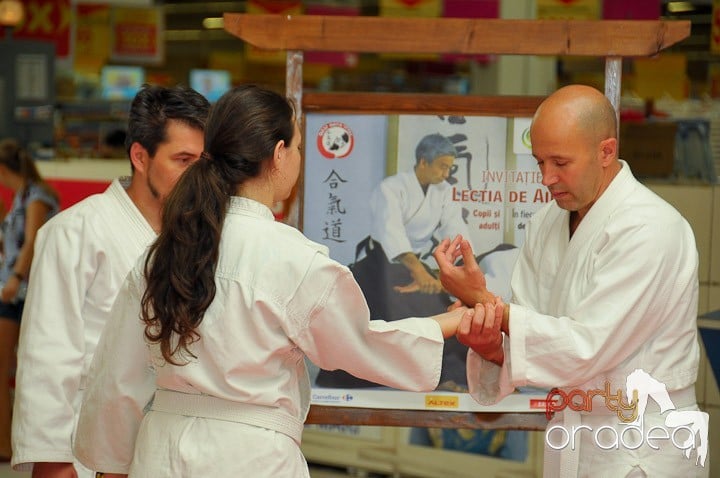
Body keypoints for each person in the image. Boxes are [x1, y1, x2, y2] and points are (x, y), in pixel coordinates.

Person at [72, 85, 465, 478]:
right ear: (279, 155)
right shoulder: (292, 257)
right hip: (249, 456)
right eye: (296, 148)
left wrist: (112, 467)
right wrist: (444, 324)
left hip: (161, 451)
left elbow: (118, 378)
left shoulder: (164, 250)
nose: (298, 158)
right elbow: (363, 344)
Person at [434, 84, 705, 477]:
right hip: (573, 435)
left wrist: (484, 299)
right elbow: (531, 330)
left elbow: (585, 348)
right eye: (539, 162)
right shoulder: (548, 221)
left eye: (560, 162)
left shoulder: (650, 227)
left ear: (606, 152)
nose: (546, 178)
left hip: (643, 443)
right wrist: (491, 340)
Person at [11, 84, 210, 478]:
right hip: (86, 446)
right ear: (140, 155)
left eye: (203, 162)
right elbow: (47, 358)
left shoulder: (202, 239)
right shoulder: (74, 232)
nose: (196, 176)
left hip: (176, 444)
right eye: (183, 159)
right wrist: (53, 462)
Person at [0, 139, 60, 461]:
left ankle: (8, 444)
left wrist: (15, 278)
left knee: (12, 367)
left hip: (21, 292)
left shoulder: (36, 197)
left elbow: (33, 242)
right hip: (17, 289)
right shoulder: (21, 197)